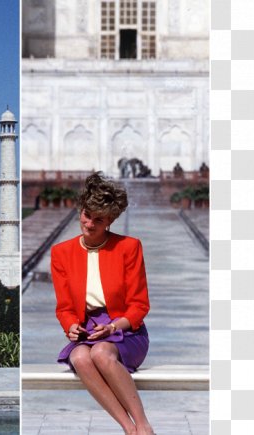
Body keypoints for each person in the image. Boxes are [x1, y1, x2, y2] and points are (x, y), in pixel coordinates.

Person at [51, 172, 153, 435]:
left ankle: (143, 426)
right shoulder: (61, 253)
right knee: (80, 357)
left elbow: (140, 306)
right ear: (80, 211)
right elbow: (64, 308)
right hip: (89, 329)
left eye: (99, 219)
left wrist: (114, 327)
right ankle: (128, 428)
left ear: (110, 220)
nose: (90, 223)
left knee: (99, 354)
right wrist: (71, 326)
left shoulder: (128, 247)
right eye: (87, 215)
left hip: (126, 330)